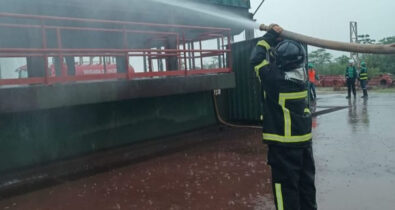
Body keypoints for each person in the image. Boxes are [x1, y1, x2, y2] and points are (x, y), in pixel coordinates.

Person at [250, 25, 317, 210]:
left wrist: (270, 36)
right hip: (304, 144)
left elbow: (255, 59)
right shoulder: (303, 78)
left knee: (285, 189)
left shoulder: (274, 80)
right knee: (306, 187)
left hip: (283, 146)